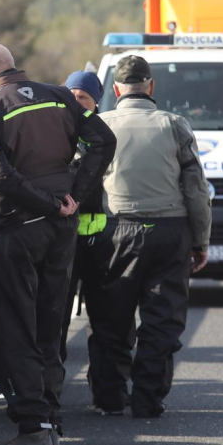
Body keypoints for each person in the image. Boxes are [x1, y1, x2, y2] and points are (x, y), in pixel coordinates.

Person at [0, 42, 116, 445]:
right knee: (50, 327)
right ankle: (50, 425)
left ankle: (33, 431)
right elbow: (104, 141)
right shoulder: (60, 96)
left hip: (17, 228)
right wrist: (73, 195)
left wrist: (48, 203)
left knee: (16, 328)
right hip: (61, 229)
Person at [85, 55, 211, 419]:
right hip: (169, 232)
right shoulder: (175, 125)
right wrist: (200, 241)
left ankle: (109, 398)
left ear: (116, 90)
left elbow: (83, 183)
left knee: (109, 318)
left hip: (115, 231)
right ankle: (147, 399)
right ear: (151, 86)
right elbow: (196, 190)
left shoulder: (100, 125)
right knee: (161, 319)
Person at [58, 70, 109, 361]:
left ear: (96, 102)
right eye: (72, 96)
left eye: (83, 97)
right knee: (59, 307)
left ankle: (103, 379)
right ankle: (55, 369)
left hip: (101, 239)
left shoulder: (104, 135)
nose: (76, 102)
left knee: (103, 311)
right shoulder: (54, 131)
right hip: (64, 236)